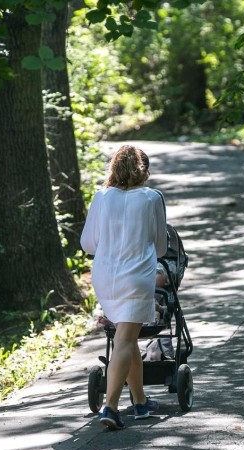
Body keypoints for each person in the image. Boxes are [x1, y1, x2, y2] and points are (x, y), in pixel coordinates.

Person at [80, 145, 168, 430]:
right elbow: (161, 245)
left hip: (105, 275)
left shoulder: (102, 197)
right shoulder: (152, 197)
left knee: (125, 338)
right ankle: (111, 406)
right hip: (137, 275)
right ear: (145, 171)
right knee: (125, 340)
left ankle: (140, 402)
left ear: (113, 168)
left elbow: (88, 244)